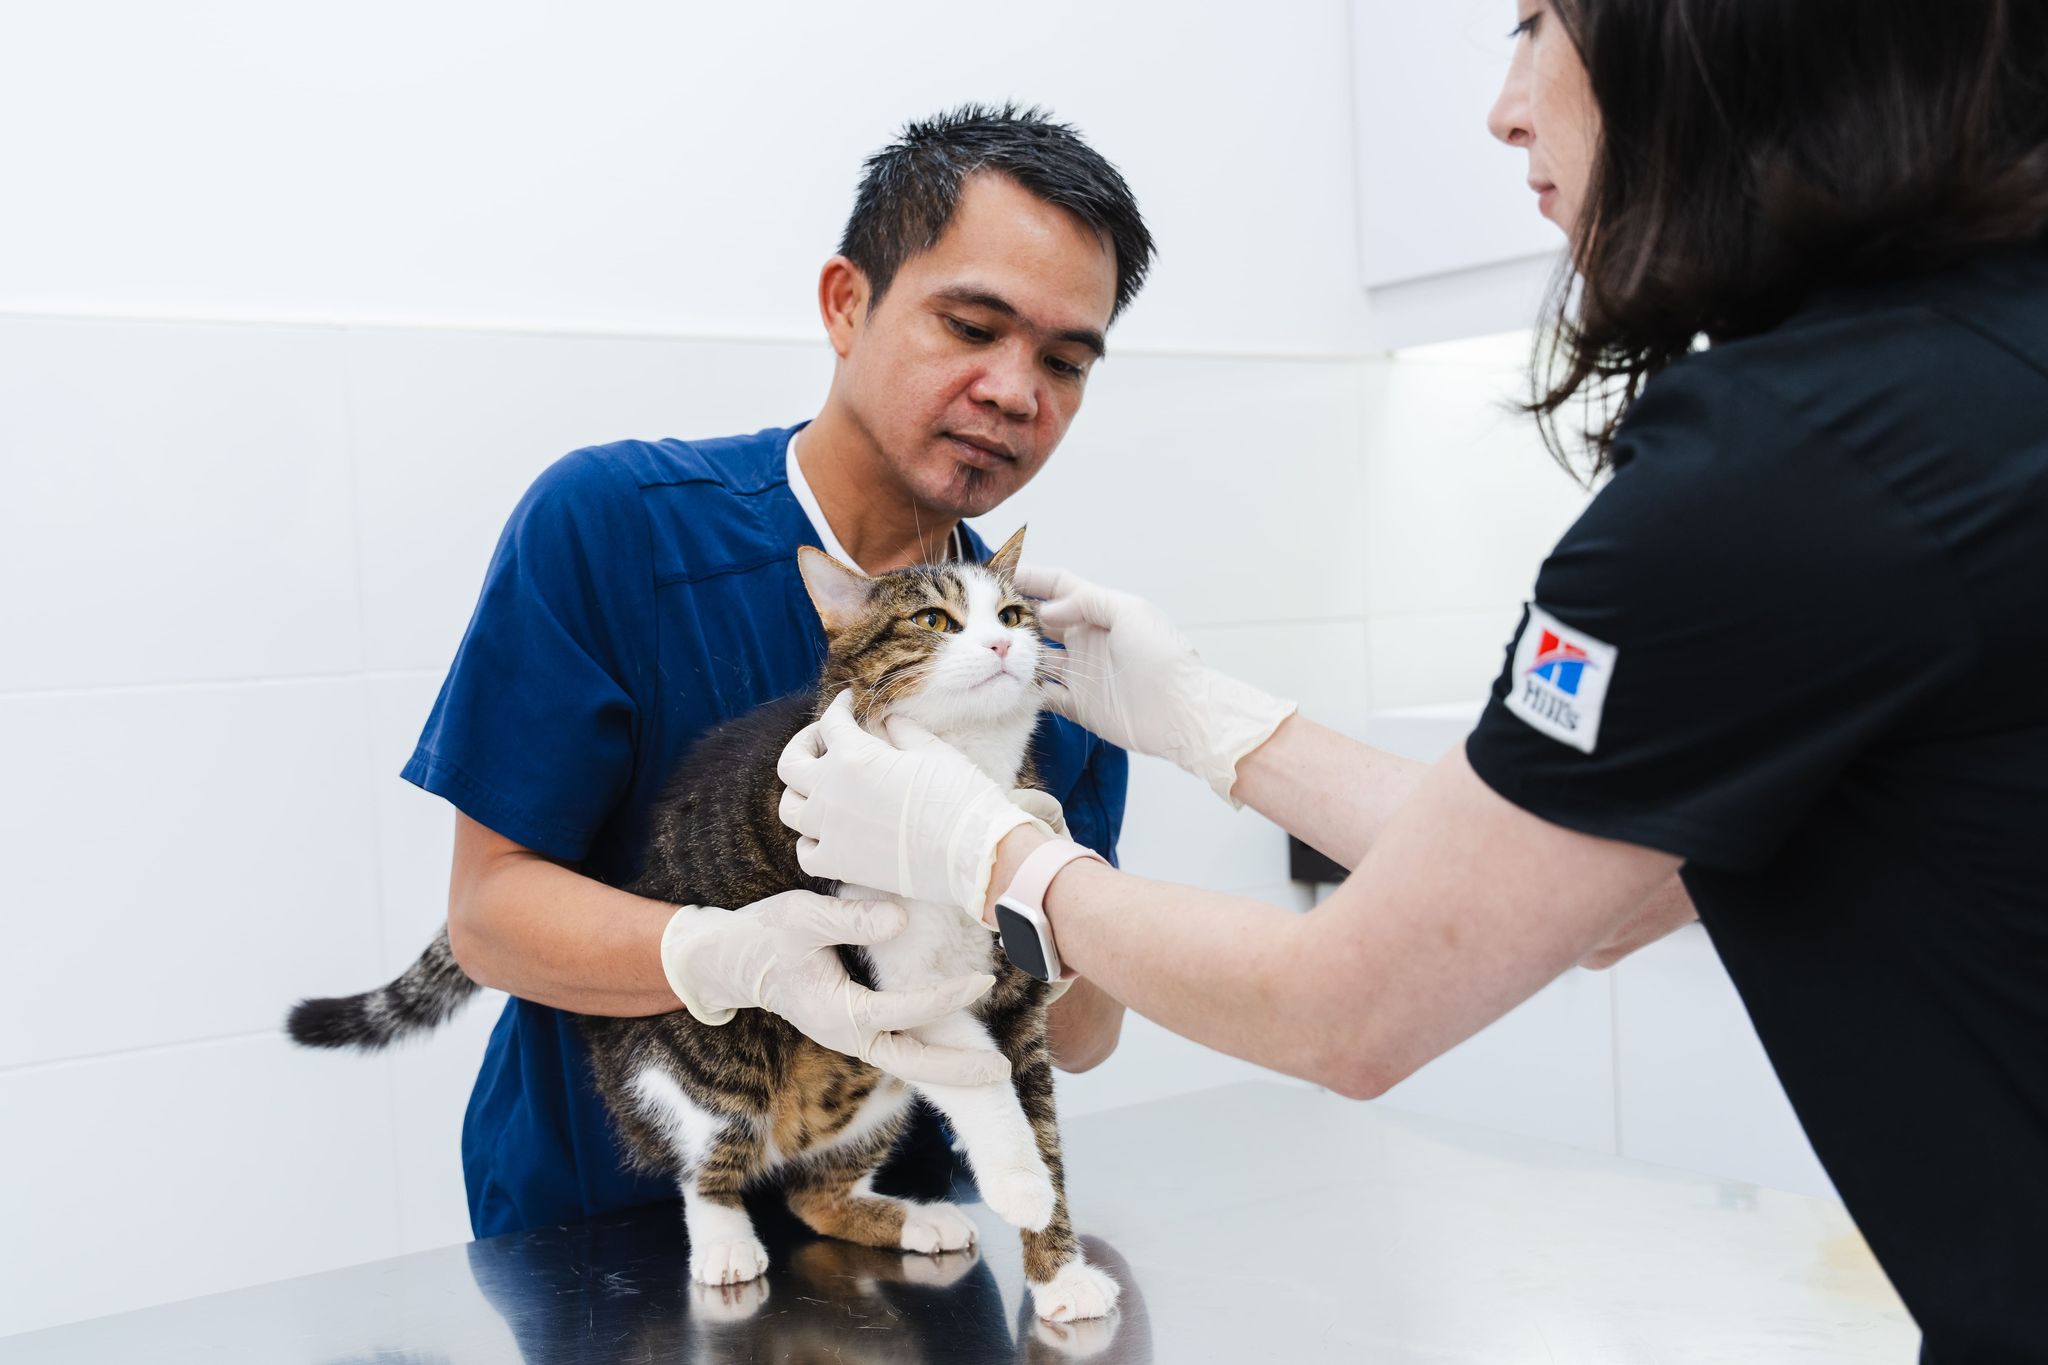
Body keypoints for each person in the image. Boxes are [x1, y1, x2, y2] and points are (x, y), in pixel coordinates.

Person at [776, 4, 2048, 1359]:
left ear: (1705, 42)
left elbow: (1353, 1009)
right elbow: (1572, 894)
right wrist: (1210, 721)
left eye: (1534, 23)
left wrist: (995, 862)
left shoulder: (1792, 468)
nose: (1504, 107)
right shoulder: (1969, 369)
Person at [404, 103, 1154, 1239]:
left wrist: (1042, 914)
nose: (1016, 391)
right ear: (845, 304)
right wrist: (728, 958)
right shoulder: (617, 528)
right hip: (601, 1243)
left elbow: (1086, 1039)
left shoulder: (1034, 657)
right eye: (970, 327)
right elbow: (491, 918)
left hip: (904, 1246)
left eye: (1063, 360)